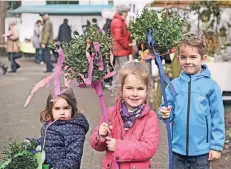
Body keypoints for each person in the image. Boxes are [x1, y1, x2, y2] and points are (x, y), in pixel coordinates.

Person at [158, 33, 225, 169]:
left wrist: (216, 146)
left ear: (203, 59)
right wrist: (164, 112)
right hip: (177, 150)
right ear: (178, 59)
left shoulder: (211, 87)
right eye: (184, 57)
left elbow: (218, 118)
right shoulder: (173, 85)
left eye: (193, 57)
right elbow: (167, 111)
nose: (188, 61)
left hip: (201, 152)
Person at [90, 61, 159, 169]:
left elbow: (148, 148)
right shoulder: (111, 113)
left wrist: (118, 147)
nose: (135, 94)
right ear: (121, 89)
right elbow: (97, 145)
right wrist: (100, 135)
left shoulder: (150, 117)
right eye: (129, 88)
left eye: (140, 89)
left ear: (147, 90)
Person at [26, 87, 89, 169]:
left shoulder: (74, 129)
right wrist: (32, 143)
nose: (62, 112)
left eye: (66, 108)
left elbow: (73, 159)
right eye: (57, 108)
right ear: (50, 109)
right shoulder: (51, 124)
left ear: (72, 108)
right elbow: (47, 142)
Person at [110, 4, 132, 95]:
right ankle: (118, 90)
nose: (127, 14)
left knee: (118, 70)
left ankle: (115, 89)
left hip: (119, 50)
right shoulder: (118, 22)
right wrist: (127, 45)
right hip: (121, 50)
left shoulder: (117, 21)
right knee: (123, 70)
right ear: (122, 12)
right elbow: (119, 37)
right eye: (126, 12)